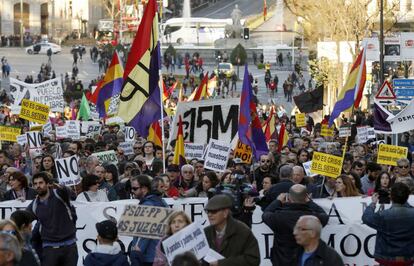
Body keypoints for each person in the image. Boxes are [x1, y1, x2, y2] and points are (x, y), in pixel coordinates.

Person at [262, 184, 328, 266]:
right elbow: (324, 216)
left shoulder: (279, 217)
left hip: (282, 261)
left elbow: (266, 214)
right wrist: (310, 202)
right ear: (305, 197)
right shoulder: (313, 218)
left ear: (289, 197)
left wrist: (278, 201)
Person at [27, 172, 78, 266]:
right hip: (49, 248)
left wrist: (57, 185)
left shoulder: (59, 194)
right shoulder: (34, 204)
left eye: (41, 183)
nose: (38, 186)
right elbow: (23, 218)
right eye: (35, 184)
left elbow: (68, 191)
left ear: (47, 184)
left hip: (69, 246)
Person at [362, 182, 414, 265]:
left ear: (391, 196)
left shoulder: (383, 215)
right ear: (407, 197)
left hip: (387, 258)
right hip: (408, 258)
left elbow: (366, 218)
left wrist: (373, 203)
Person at [203, 194, 260, 266]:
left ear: (225, 213)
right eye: (207, 211)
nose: (209, 215)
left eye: (214, 211)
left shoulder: (242, 231)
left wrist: (221, 263)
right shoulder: (206, 232)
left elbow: (253, 259)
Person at [129, 175, 169, 266]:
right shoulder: (161, 201)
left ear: (144, 188)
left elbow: (145, 233)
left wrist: (138, 251)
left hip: (148, 256)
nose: (132, 191)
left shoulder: (147, 205)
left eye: (135, 188)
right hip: (160, 255)